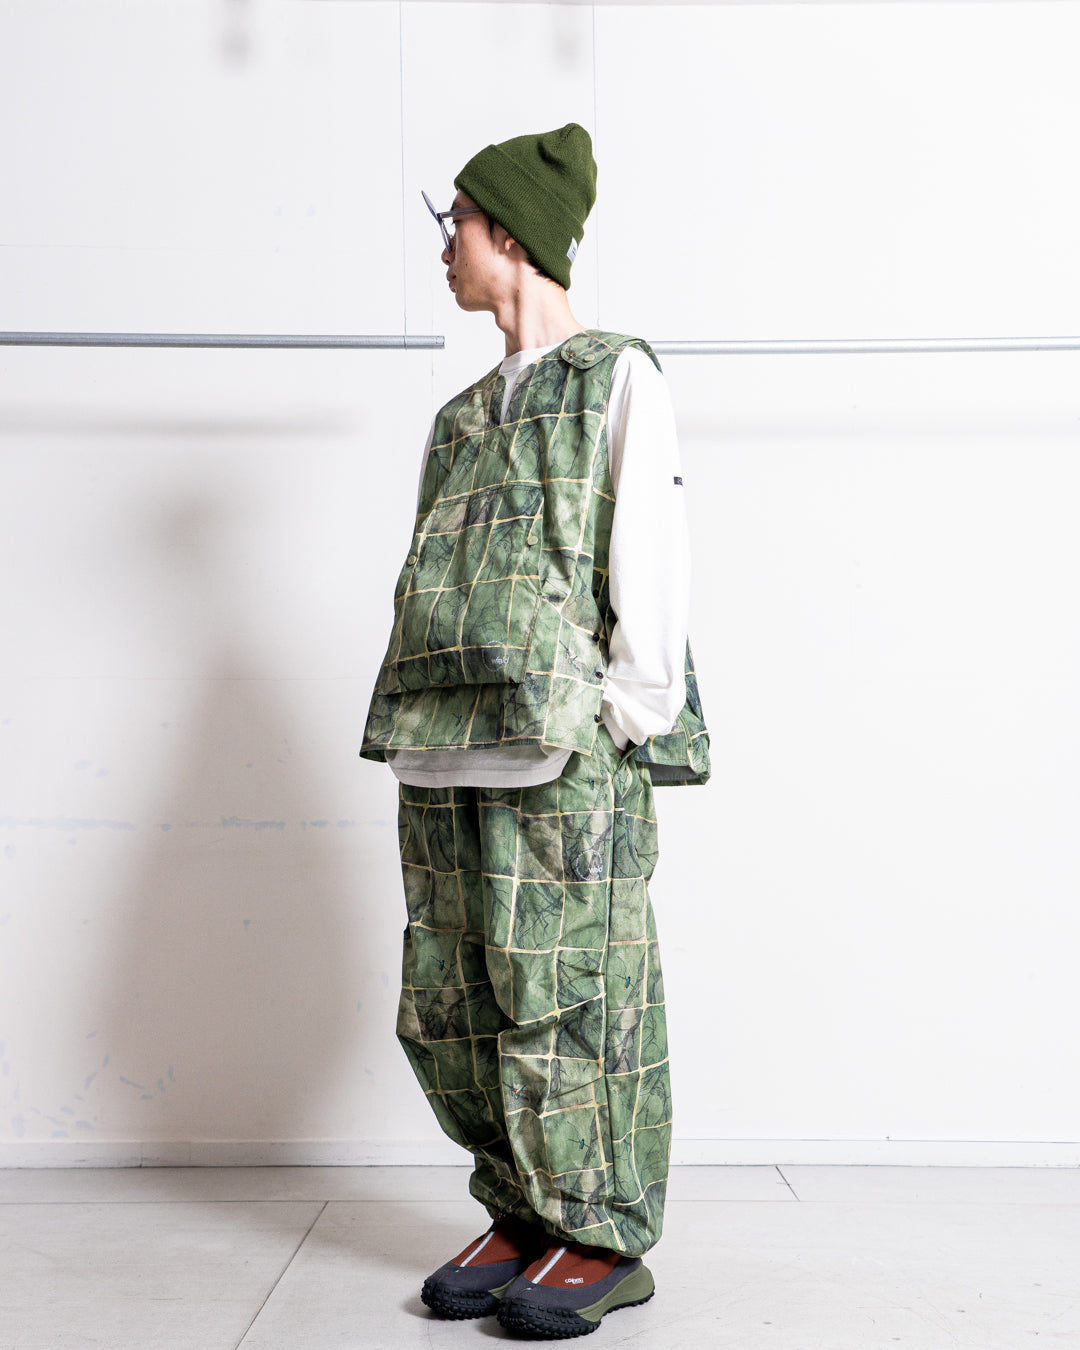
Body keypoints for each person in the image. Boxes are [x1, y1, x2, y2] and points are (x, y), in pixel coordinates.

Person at [361, 122, 709, 1340]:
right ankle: (521, 1209)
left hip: (565, 752)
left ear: (508, 232)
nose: (442, 246)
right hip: (442, 743)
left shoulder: (615, 376)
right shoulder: (459, 417)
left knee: (573, 998)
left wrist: (626, 716)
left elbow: (648, 553)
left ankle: (600, 1232)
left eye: (452, 222)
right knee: (452, 1000)